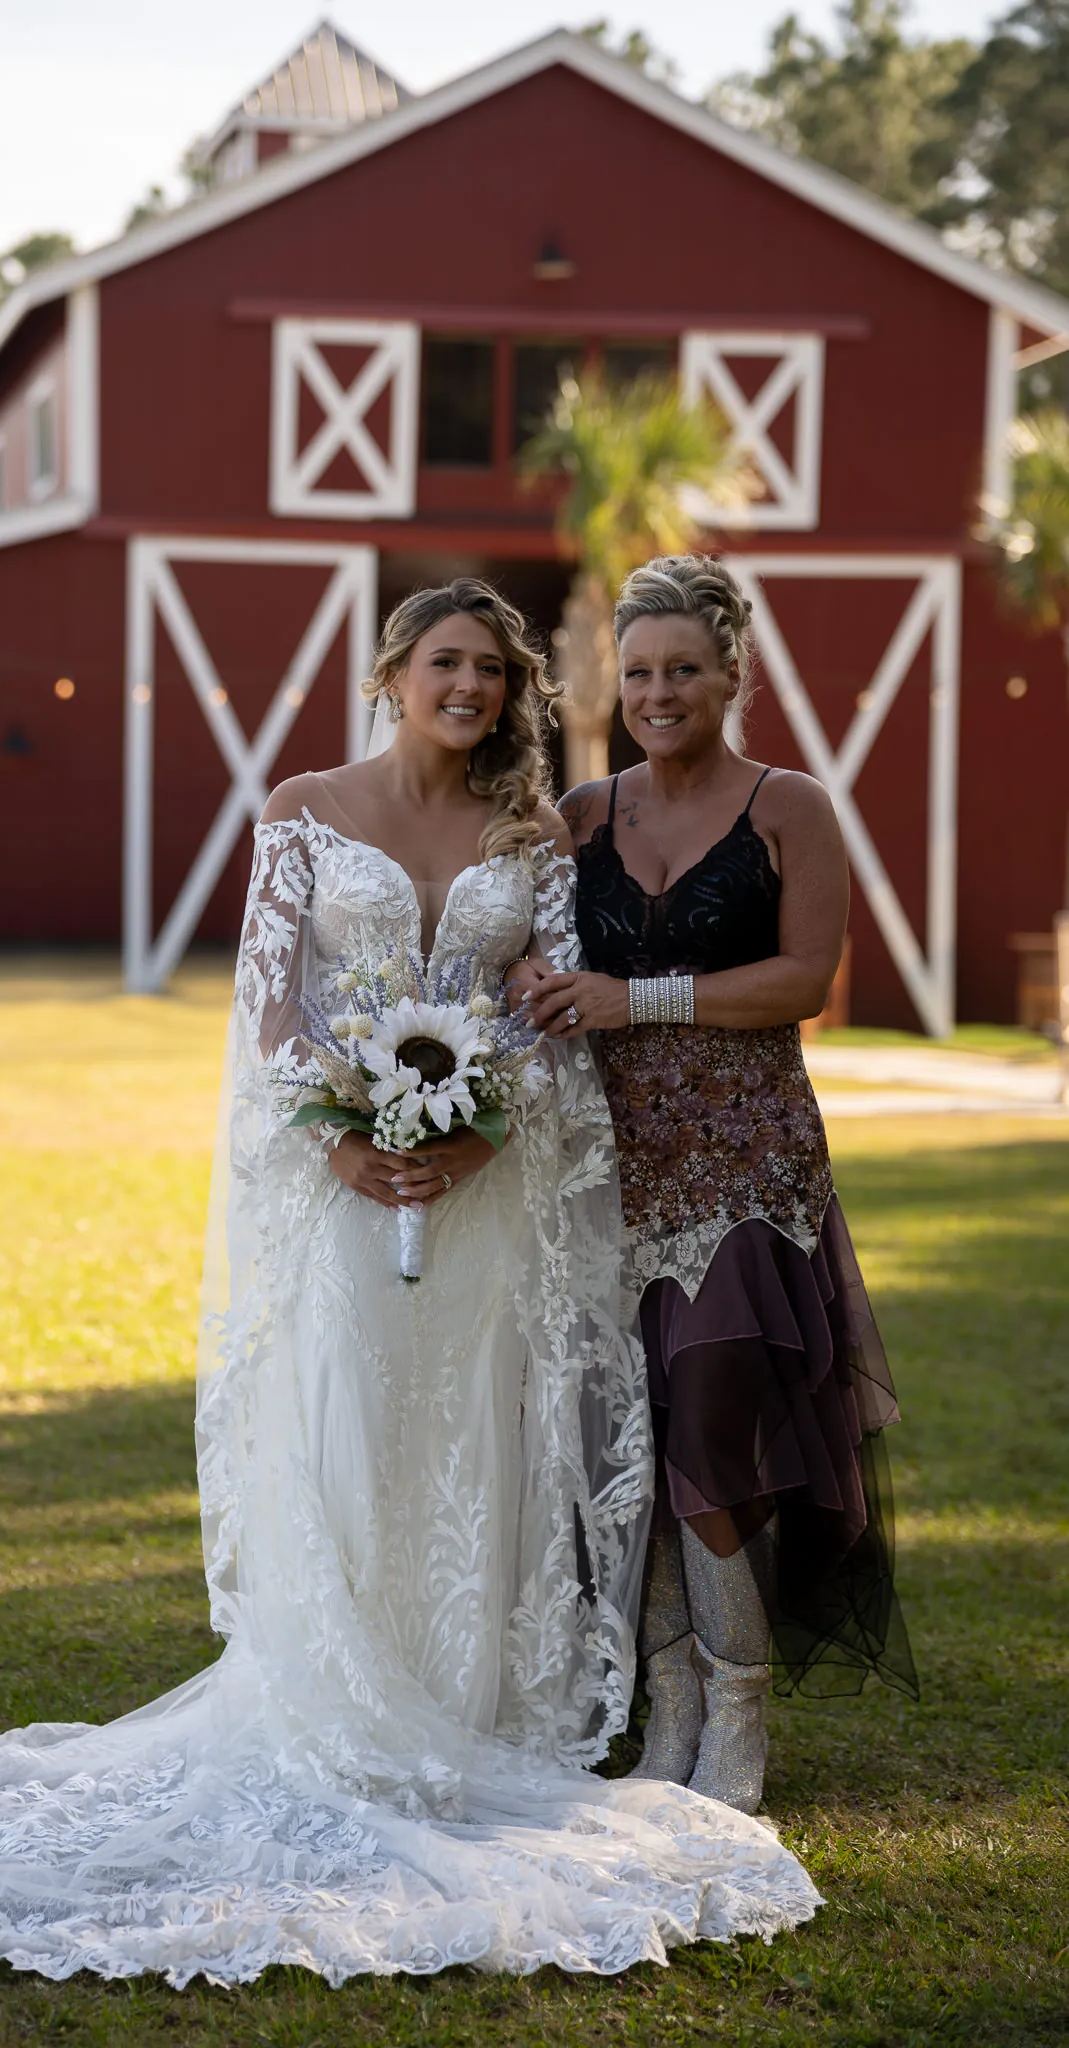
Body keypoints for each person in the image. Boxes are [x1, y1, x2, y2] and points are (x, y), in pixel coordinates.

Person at [0, 578, 819, 1983]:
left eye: (491, 669)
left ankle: (474, 1707)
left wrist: (479, 1138)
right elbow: (271, 1013)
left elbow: (548, 1017)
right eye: (445, 662)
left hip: (483, 1197)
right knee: (348, 1431)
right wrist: (351, 1143)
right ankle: (344, 1709)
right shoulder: (302, 810)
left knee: (475, 1443)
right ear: (392, 673)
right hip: (343, 1194)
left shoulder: (532, 833)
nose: (469, 687)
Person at [519, 555, 917, 1818]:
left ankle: (737, 1709)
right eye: (638, 671)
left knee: (709, 1423)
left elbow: (805, 978)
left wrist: (637, 998)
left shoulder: (789, 805)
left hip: (746, 1159)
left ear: (731, 673)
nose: (658, 692)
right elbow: (525, 947)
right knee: (631, 1437)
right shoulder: (581, 812)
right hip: (607, 1166)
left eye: (683, 668)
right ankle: (672, 1699)